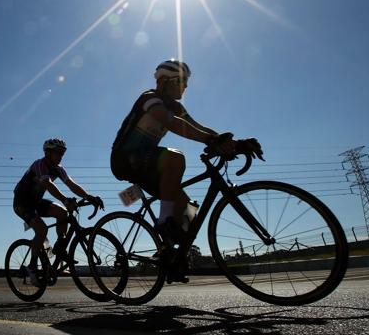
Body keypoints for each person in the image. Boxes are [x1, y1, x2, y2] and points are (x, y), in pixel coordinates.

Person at [110, 59, 236, 277]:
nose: (185, 87)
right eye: (182, 81)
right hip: (124, 159)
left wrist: (231, 143)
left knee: (189, 212)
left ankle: (166, 253)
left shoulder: (176, 106)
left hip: (147, 162)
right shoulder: (150, 98)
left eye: (187, 82)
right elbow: (172, 123)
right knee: (175, 158)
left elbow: (197, 127)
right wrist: (210, 140)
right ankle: (164, 221)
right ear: (165, 81)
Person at [13, 138, 103, 286]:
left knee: (63, 213)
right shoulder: (40, 164)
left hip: (36, 202)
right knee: (41, 230)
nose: (60, 156)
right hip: (22, 203)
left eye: (62, 153)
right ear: (47, 153)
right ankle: (32, 266)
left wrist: (89, 196)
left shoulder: (58, 168)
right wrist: (65, 199)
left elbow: (71, 184)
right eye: (57, 153)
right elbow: (48, 185)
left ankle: (60, 247)